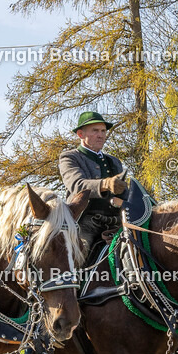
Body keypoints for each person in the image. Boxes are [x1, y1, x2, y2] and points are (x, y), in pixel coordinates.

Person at [59, 111, 126, 262]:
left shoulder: (114, 161)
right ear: (81, 134)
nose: (101, 135)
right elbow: (77, 185)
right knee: (77, 257)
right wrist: (106, 184)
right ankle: (73, 285)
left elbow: (123, 194)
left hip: (116, 222)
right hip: (85, 223)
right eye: (95, 131)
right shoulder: (69, 157)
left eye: (103, 131)